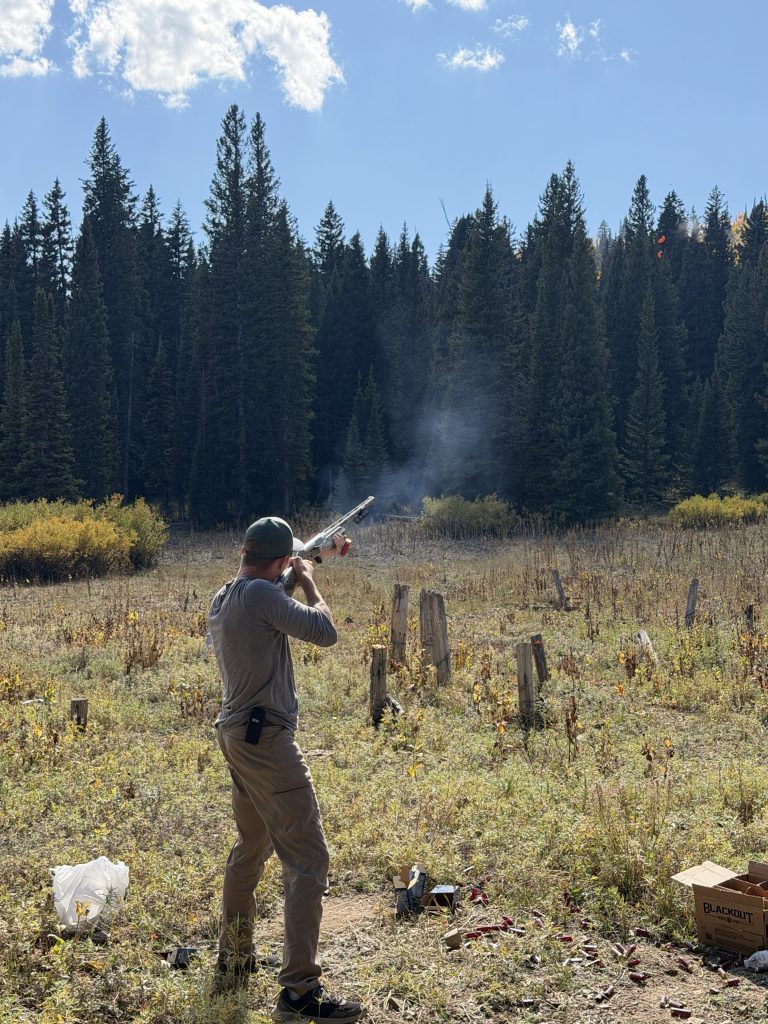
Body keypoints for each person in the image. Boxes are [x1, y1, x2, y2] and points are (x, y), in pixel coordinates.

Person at [208, 515, 365, 1022]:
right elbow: (325, 631)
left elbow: (270, 596)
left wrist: (310, 561)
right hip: (267, 740)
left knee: (251, 847)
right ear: (279, 561)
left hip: (238, 735)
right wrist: (310, 581)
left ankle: (234, 960)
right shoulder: (262, 595)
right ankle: (299, 992)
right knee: (308, 859)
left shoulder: (227, 595)